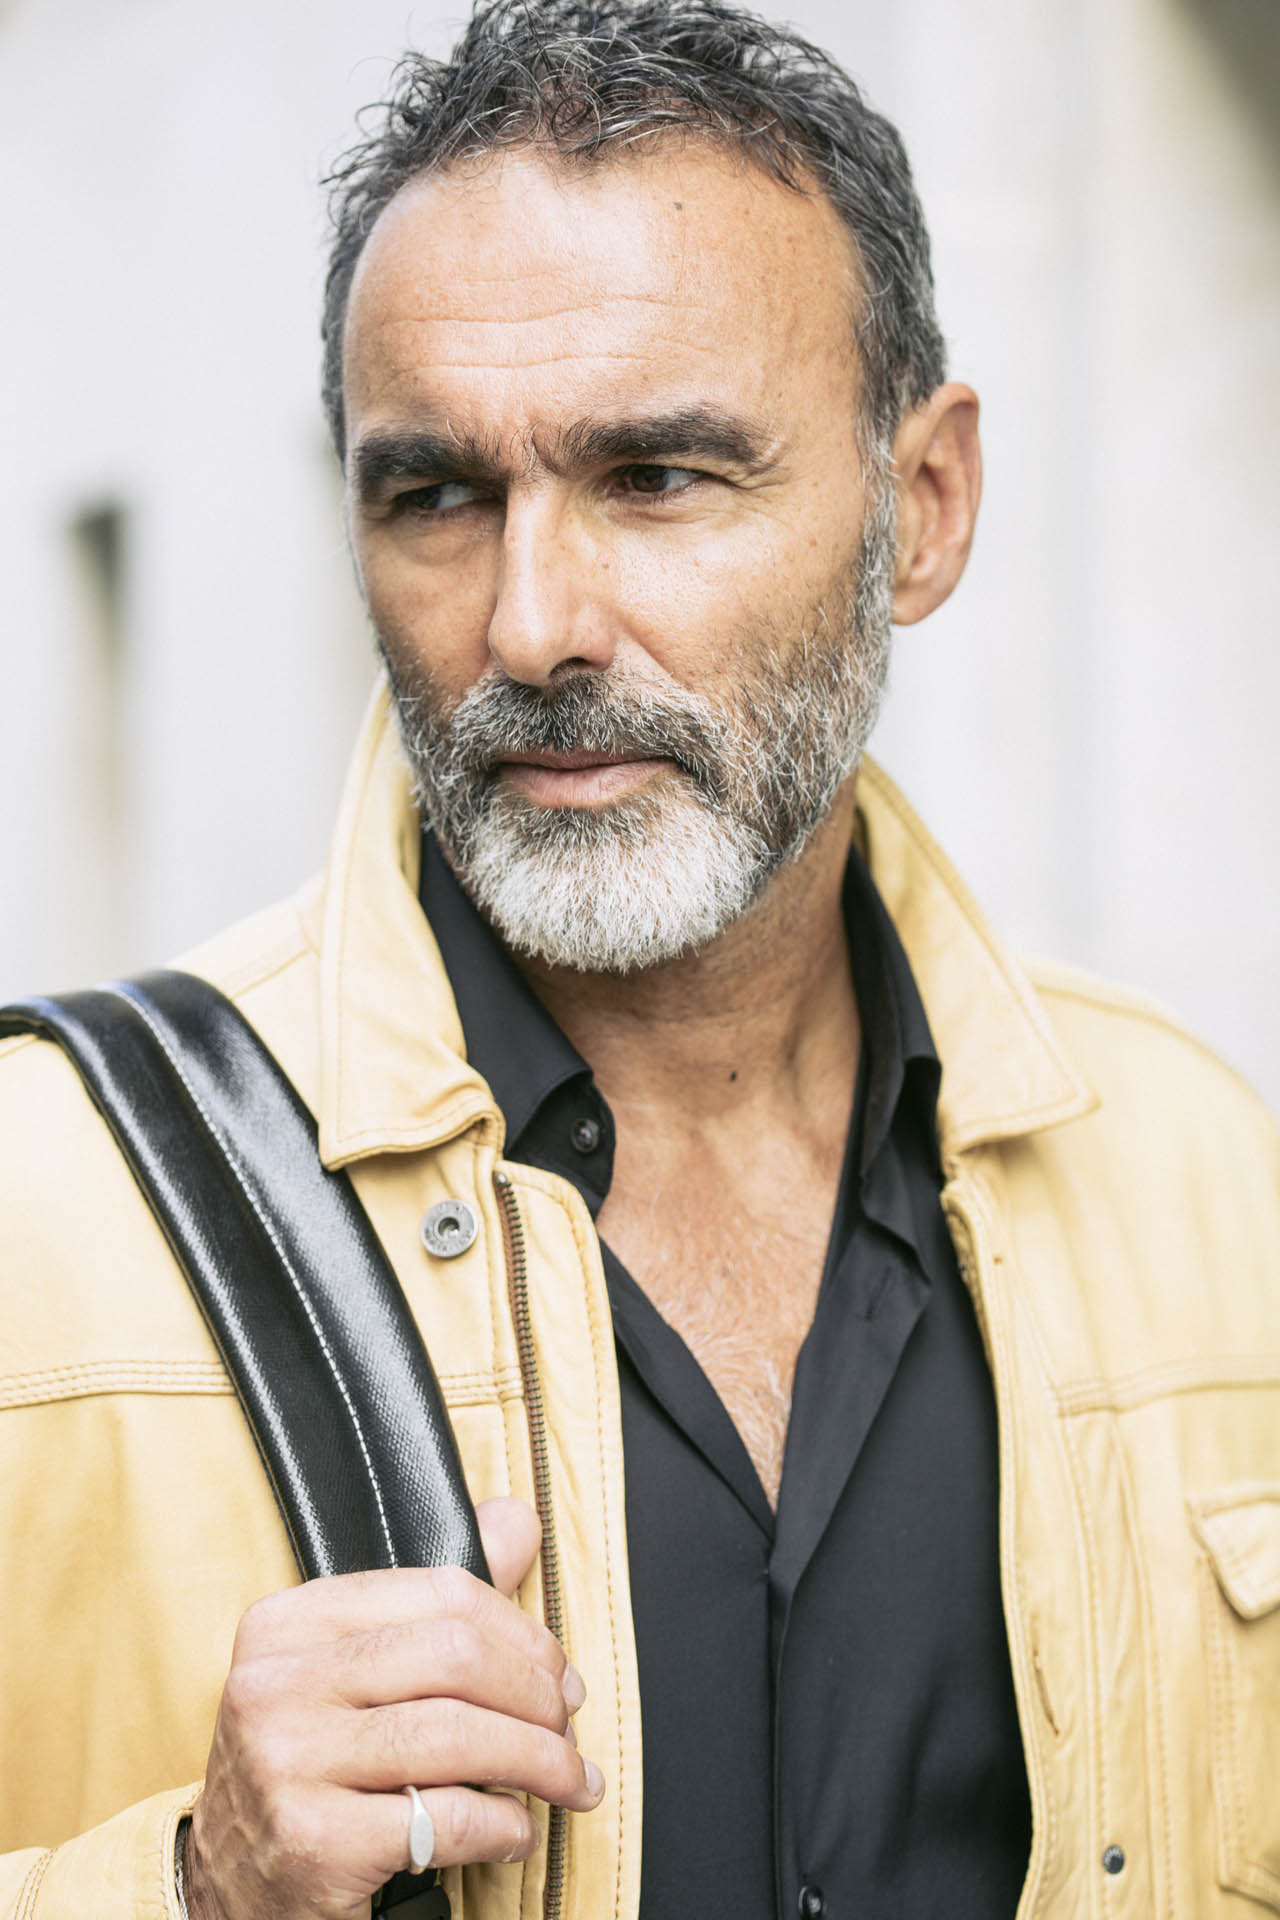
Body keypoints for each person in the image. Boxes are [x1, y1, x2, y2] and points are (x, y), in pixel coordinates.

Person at [3, 1, 1279, 1915]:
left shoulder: (1202, 1179)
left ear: (923, 511)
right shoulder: (41, 1212)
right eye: (437, 495)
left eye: (660, 477)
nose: (533, 625)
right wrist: (192, 1885)